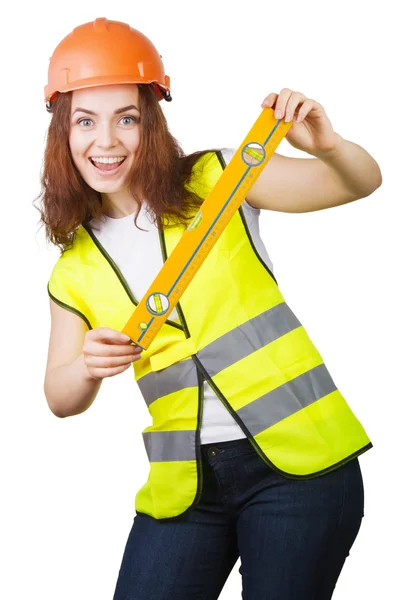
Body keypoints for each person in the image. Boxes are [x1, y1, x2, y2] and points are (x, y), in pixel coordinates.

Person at [39, 17, 382, 600]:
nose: (107, 140)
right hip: (185, 486)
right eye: (85, 121)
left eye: (127, 117)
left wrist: (331, 147)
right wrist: (86, 367)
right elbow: (59, 397)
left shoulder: (221, 177)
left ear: (152, 119)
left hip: (301, 467)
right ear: (62, 134)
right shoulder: (72, 267)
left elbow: (358, 183)